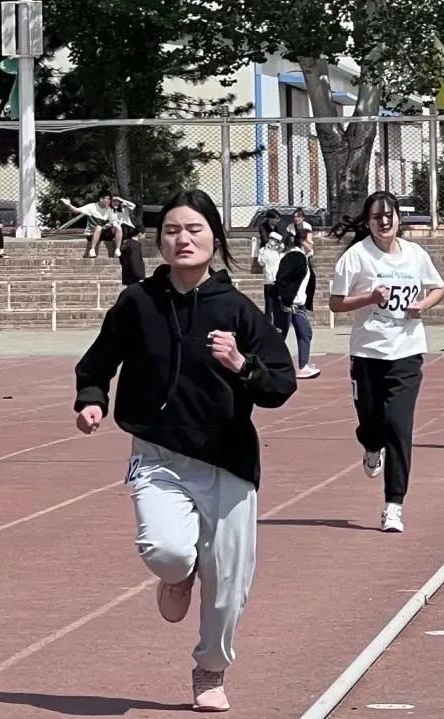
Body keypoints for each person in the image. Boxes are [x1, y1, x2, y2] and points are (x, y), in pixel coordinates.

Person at [73, 189, 297, 712]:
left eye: (194, 230)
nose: (183, 239)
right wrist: (91, 399)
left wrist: (242, 365)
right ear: (160, 241)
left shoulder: (237, 310)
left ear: (215, 238)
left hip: (227, 459)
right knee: (167, 552)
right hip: (158, 454)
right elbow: (98, 361)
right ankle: (178, 576)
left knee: (229, 583)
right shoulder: (138, 303)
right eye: (172, 230)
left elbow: (280, 385)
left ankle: (210, 668)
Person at [328, 191, 444, 533]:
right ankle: (370, 445)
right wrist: (369, 297)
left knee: (398, 425)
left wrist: (422, 305)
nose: (384, 221)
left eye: (389, 215)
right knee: (371, 422)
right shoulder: (356, 257)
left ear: (399, 218)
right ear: (368, 222)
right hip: (368, 353)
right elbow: (336, 303)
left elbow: (438, 288)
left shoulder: (415, 254)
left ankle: (393, 505)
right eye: (377, 216)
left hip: (407, 351)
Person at [273, 231, 321, 378]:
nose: (313, 243)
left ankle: (303, 366)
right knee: (279, 336)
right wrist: (284, 300)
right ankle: (271, 365)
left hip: (298, 305)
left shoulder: (303, 257)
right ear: (303, 241)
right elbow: (282, 278)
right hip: (288, 305)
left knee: (305, 333)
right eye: (310, 240)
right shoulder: (294, 257)